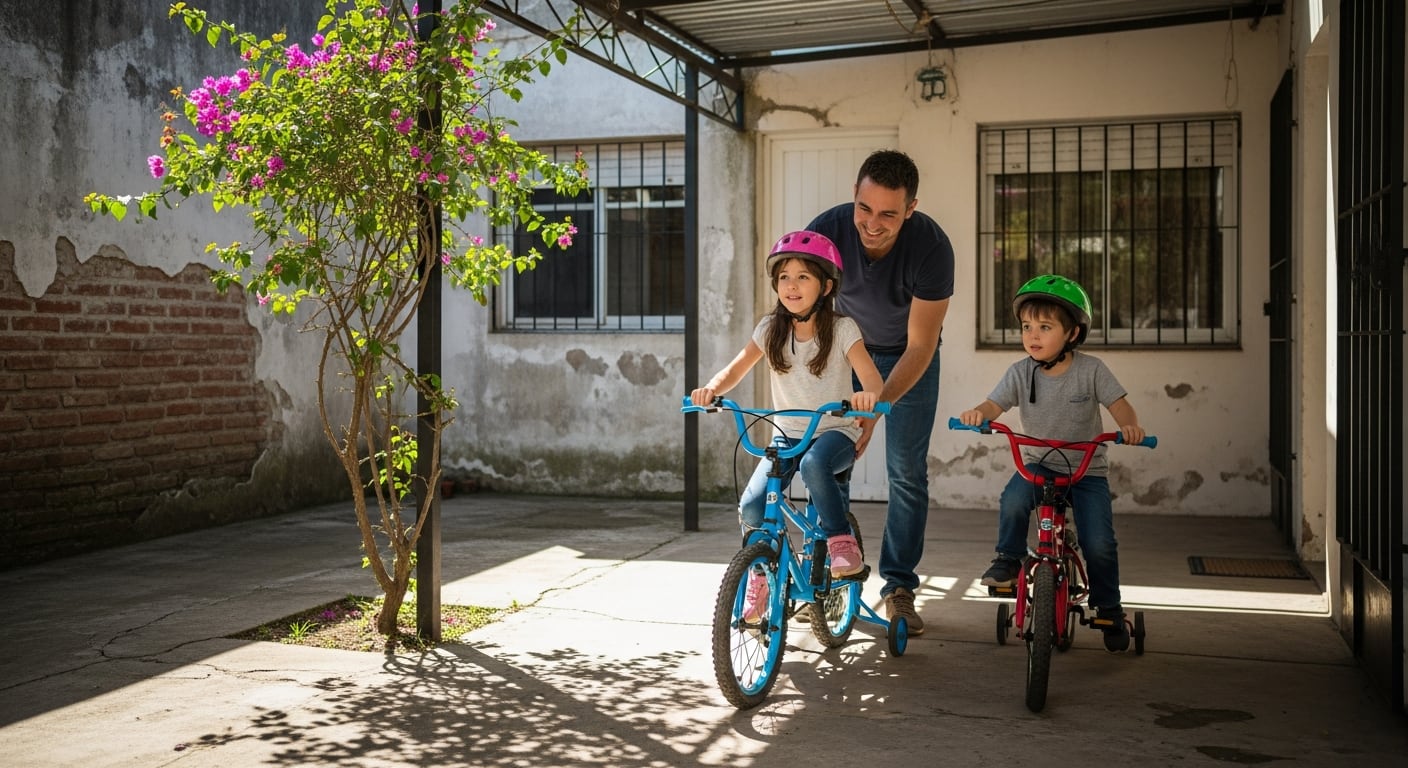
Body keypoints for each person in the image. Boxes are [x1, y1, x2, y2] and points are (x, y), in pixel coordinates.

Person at [691, 230, 884, 622]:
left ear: (826, 286)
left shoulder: (843, 330)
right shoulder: (769, 329)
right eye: (784, 277)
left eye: (803, 277)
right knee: (752, 505)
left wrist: (867, 398)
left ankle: (840, 542)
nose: (791, 286)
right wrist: (711, 389)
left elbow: (873, 380)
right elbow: (736, 369)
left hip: (834, 432)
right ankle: (761, 576)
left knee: (814, 465)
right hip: (786, 435)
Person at [805, 150, 954, 634]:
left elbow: (921, 344)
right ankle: (826, 575)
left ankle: (899, 588)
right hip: (845, 353)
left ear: (910, 208)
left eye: (888, 214)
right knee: (827, 461)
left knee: (906, 473)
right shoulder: (826, 232)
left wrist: (876, 409)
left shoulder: (932, 247)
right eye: (864, 208)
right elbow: (802, 308)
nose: (872, 224)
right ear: (854, 194)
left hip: (908, 358)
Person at [957, 274, 1147, 652]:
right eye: (1027, 327)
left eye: (1045, 327)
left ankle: (1108, 606)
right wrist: (978, 414)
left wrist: (1130, 426)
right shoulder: (1019, 372)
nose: (1033, 335)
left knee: (1099, 542)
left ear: (1072, 333)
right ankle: (1008, 560)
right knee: (1013, 501)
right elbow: (994, 404)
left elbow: (1120, 405)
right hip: (1038, 466)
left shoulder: (1091, 370)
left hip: (1086, 471)